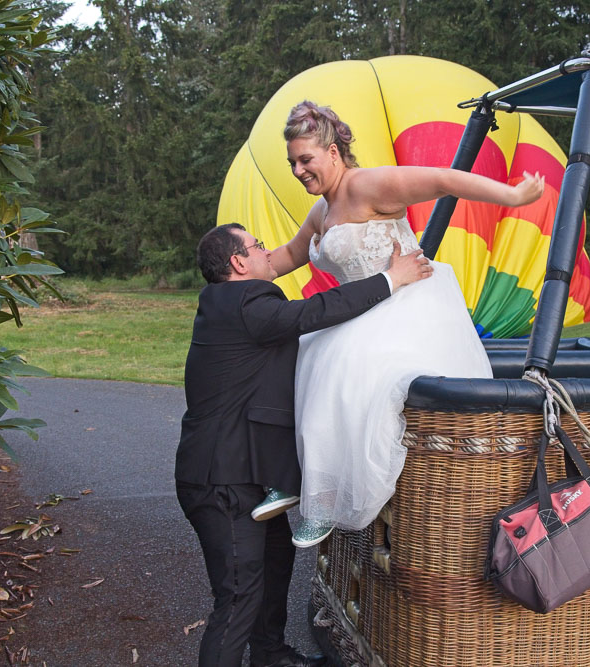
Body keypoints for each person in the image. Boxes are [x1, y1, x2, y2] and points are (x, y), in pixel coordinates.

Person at [250, 101, 546, 548]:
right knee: (298, 352)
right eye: (292, 161)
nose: (297, 170)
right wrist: (232, 273)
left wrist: (512, 197)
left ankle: (326, 502)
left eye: (305, 159)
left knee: (342, 372)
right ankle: (293, 480)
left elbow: (443, 179)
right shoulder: (321, 210)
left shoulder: (369, 184)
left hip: (406, 304)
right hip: (359, 309)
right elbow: (284, 258)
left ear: (333, 152)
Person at [175, 222, 433, 667]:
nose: (265, 250)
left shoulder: (230, 306)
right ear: (239, 263)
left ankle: (270, 655)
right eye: (257, 246)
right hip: (222, 480)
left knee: (274, 570)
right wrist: (392, 279)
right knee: (237, 597)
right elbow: (312, 313)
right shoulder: (245, 300)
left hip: (252, 475)